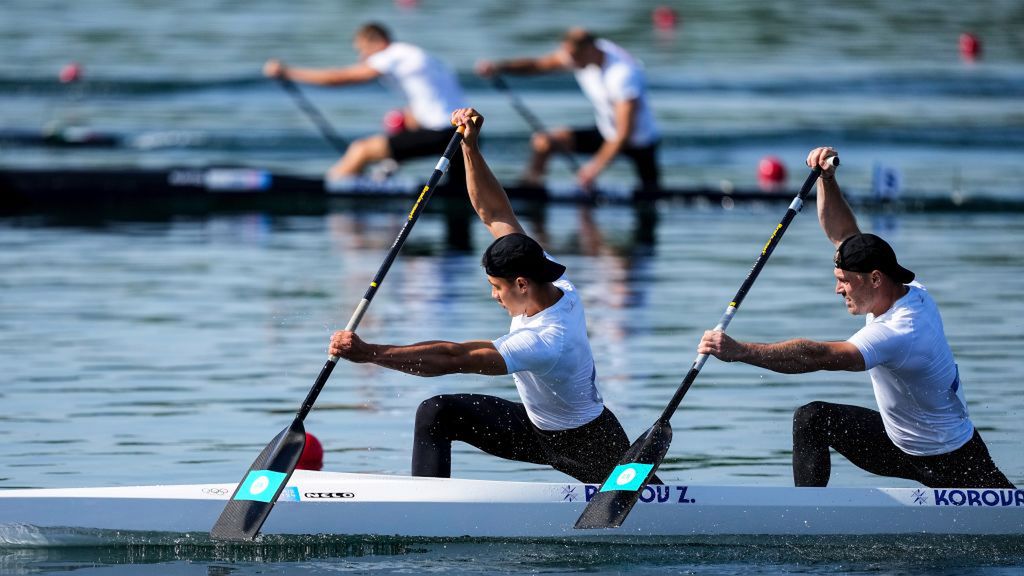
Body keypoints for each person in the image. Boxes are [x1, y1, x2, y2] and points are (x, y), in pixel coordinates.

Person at [328, 107, 631, 483]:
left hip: (589, 444)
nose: (494, 297)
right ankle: (428, 508)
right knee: (437, 412)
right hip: (535, 430)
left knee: (657, 523)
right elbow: (494, 212)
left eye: (496, 287)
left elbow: (455, 357)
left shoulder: (546, 340)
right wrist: (470, 147)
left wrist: (369, 353)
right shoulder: (551, 276)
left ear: (521, 283)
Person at [697, 146, 1014, 489]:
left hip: (953, 460)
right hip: (898, 445)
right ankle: (808, 520)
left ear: (875, 278)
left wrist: (742, 351)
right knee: (812, 418)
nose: (838, 291)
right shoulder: (903, 287)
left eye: (843, 282)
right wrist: (827, 181)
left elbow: (821, 356)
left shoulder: (900, 329)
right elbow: (844, 233)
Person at [264, 22, 467, 181]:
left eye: (363, 50)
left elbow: (339, 78)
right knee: (401, 119)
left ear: (378, 43)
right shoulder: (417, 55)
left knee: (361, 150)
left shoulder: (391, 54)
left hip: (443, 134)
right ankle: (386, 171)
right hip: (461, 134)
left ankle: (327, 188)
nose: (362, 57)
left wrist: (287, 72)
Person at [476, 28, 660, 195]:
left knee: (650, 196)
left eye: (573, 57)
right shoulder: (581, 54)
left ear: (588, 50)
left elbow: (623, 134)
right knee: (544, 143)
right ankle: (531, 188)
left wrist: (592, 170)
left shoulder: (622, 75)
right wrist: (500, 67)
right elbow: (538, 65)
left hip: (639, 142)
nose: (568, 62)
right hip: (606, 131)